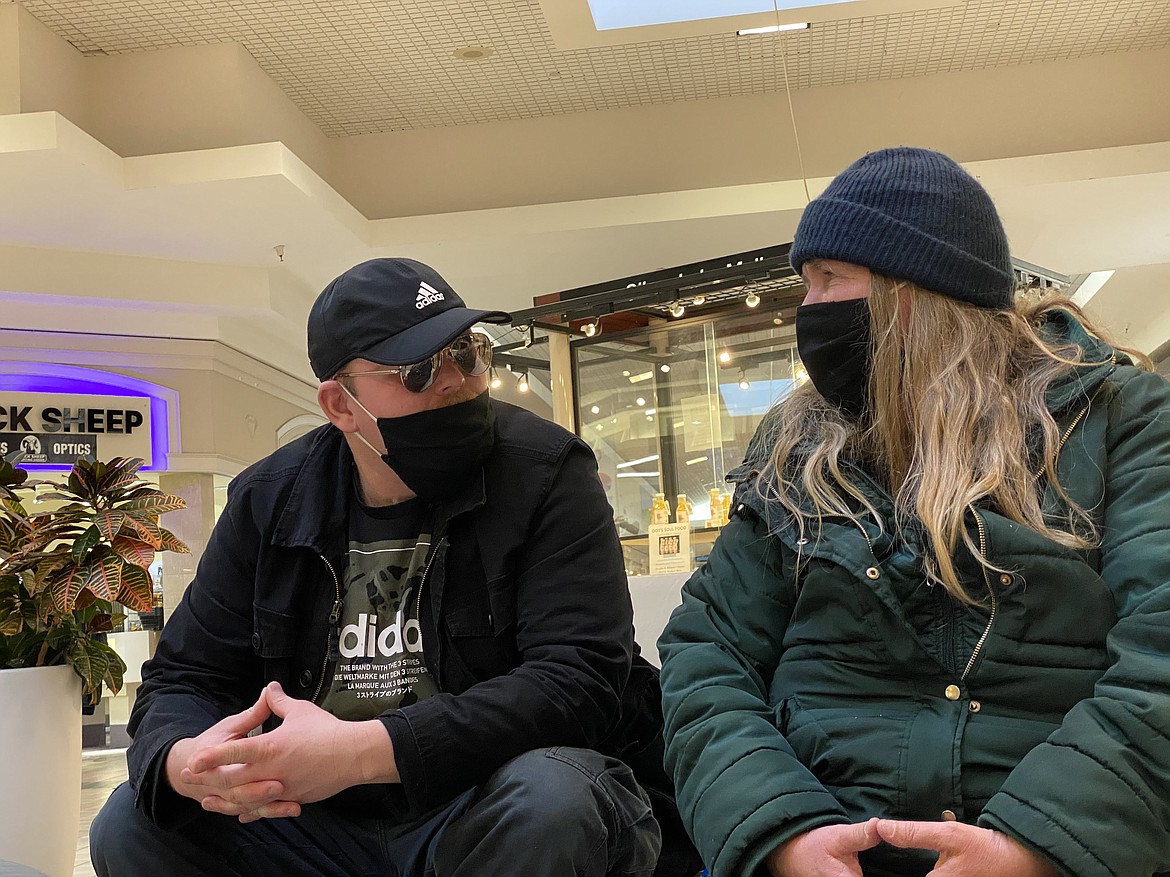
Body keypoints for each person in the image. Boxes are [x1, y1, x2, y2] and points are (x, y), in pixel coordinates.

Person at [658, 147, 1170, 877]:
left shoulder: (1124, 421)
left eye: (830, 279)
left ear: (916, 293)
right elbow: (706, 656)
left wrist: (1035, 845)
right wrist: (782, 833)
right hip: (822, 834)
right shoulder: (794, 449)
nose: (809, 311)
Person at [90, 257, 678, 876]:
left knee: (552, 801)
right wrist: (187, 763)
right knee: (133, 821)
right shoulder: (269, 500)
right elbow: (184, 674)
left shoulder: (546, 472)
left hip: (480, 800)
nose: (454, 380)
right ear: (340, 404)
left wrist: (360, 752)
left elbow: (580, 677)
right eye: (418, 371)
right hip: (315, 823)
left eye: (468, 353)